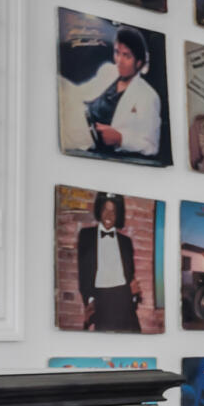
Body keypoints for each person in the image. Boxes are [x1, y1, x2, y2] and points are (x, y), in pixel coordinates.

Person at [83, 25, 166, 161]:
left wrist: (120, 138)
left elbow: (151, 146)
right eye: (117, 52)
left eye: (126, 56)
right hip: (85, 150)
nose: (119, 61)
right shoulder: (107, 72)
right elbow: (82, 95)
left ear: (139, 62)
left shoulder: (148, 96)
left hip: (113, 161)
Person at [76, 192, 138, 331]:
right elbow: (83, 272)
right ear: (99, 210)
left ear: (118, 215)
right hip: (100, 299)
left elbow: (130, 274)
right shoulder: (86, 236)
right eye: (105, 209)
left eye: (113, 212)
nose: (109, 215)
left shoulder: (126, 242)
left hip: (123, 298)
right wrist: (90, 303)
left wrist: (133, 297)